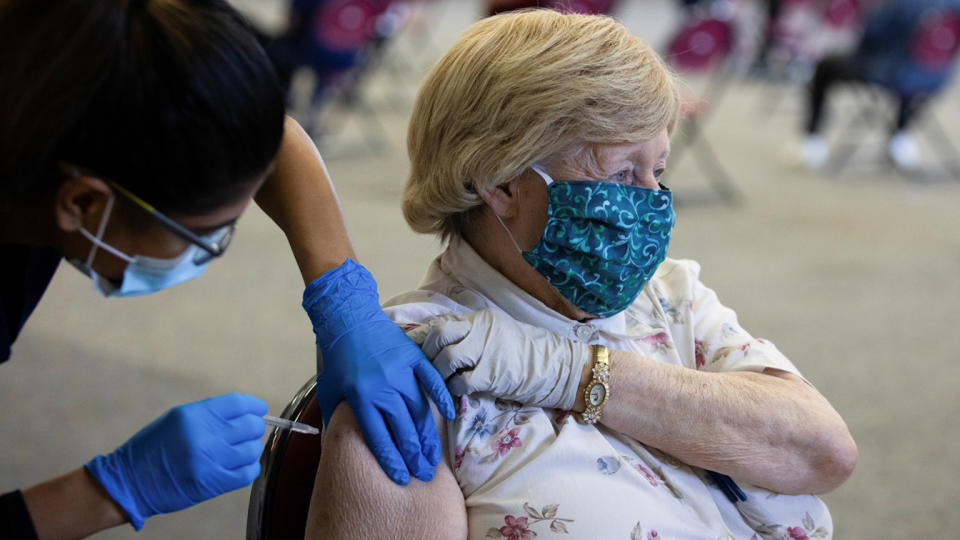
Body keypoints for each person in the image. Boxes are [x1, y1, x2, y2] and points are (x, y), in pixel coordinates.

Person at [304, 10, 858, 539]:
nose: (652, 203)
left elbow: (823, 452)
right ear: (499, 182)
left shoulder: (669, 297)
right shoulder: (418, 372)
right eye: (621, 174)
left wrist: (571, 372)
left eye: (658, 171)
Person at [0, 0, 453, 537]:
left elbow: (257, 133)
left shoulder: (94, 44)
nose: (212, 248)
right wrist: (109, 491)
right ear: (82, 205)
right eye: (204, 235)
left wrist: (344, 298)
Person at [801, 0, 960, 169]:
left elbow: (872, 34)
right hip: (936, 78)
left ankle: (813, 140)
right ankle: (900, 137)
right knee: (913, 73)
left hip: (889, 74)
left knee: (825, 66)